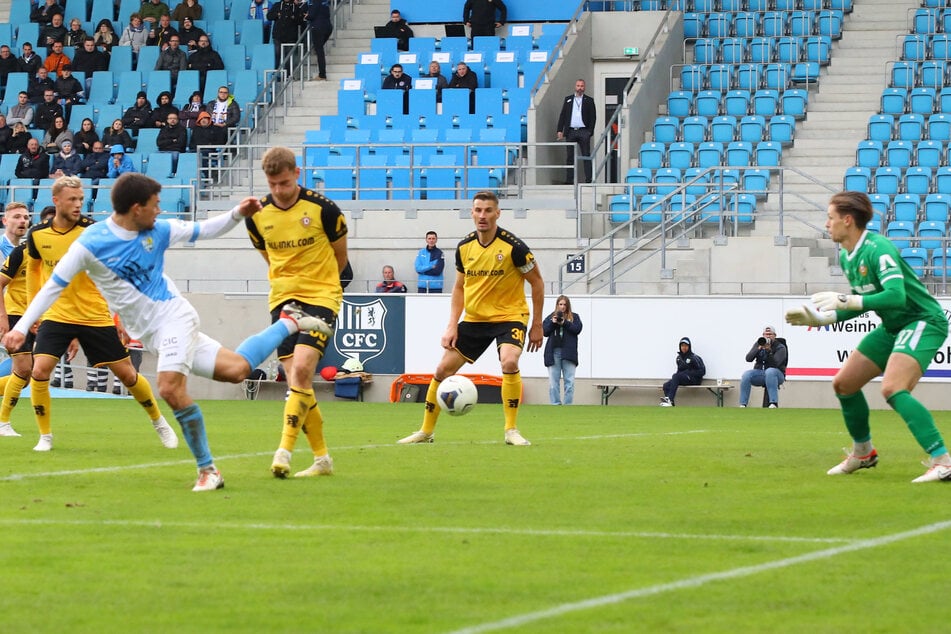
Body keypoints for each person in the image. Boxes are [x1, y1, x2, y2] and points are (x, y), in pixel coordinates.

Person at [2, 176, 329, 491]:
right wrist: (20, 328)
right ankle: (290, 321)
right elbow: (53, 286)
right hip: (153, 333)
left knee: (170, 388)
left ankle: (208, 470)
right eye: (155, 205)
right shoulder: (90, 243)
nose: (159, 210)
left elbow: (205, 229)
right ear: (135, 208)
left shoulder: (157, 230)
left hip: (174, 318)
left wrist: (237, 214)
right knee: (238, 370)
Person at [0, 177, 176, 453]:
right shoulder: (37, 235)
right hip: (57, 315)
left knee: (128, 375)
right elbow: (34, 270)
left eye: (81, 199)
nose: (78, 204)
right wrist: (35, 311)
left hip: (94, 315)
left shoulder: (94, 231)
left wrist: (123, 314)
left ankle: (159, 421)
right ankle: (45, 436)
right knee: (39, 370)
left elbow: (115, 272)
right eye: (72, 199)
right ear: (56, 201)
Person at [785, 190, 951, 483]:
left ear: (847, 220)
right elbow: (865, 300)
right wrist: (822, 318)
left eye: (830, 218)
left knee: (893, 388)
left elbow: (896, 296)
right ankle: (863, 453)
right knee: (844, 384)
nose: (827, 224)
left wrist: (847, 301)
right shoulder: (849, 257)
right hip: (893, 326)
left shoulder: (878, 249)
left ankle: (943, 461)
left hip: (922, 320)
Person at [398, 190, 544, 446]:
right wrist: (452, 325)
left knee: (509, 361)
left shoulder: (515, 247)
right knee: (442, 369)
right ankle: (425, 431)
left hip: (510, 316)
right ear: (472, 213)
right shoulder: (464, 247)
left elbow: (537, 282)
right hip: (475, 319)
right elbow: (458, 287)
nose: (482, 216)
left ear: (498, 213)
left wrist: (537, 325)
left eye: (488, 210)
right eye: (478, 210)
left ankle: (511, 431)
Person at [245, 145, 345, 479]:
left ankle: (283, 451)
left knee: (302, 371)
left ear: (297, 174)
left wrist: (321, 284)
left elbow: (340, 258)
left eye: (285, 183)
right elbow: (268, 257)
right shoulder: (256, 215)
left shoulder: (324, 210)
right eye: (273, 185)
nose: (279, 191)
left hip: (321, 297)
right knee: (298, 382)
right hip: (284, 300)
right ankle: (322, 459)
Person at [0, 203, 37, 437]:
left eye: (25, 217)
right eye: (16, 217)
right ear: (5, 221)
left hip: (24, 316)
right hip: (7, 315)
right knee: (23, 370)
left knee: (25, 376)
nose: (22, 221)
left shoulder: (31, 250)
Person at [543, 295, 582, 406]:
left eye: (564, 304)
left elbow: (577, 329)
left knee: (569, 382)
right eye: (560, 304)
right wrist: (553, 322)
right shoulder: (551, 317)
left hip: (568, 353)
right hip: (554, 352)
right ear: (557, 305)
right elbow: (544, 331)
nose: (562, 307)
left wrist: (564, 322)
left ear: (568, 305)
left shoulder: (575, 317)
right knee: (553, 382)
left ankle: (568, 405)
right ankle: (555, 404)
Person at [556, 79, 597, 184]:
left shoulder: (589, 100)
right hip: (571, 131)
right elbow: (563, 115)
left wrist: (590, 132)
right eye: (578, 86)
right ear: (575, 87)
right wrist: (560, 130)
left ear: (584, 87)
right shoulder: (568, 99)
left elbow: (593, 118)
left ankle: (589, 180)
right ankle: (569, 180)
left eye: (582, 86)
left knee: (586, 155)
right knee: (570, 157)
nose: (580, 88)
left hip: (584, 131)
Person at [738, 325, 787, 408]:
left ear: (775, 336)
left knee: (770, 371)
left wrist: (769, 351)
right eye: (766, 334)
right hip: (761, 373)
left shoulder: (780, 347)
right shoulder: (758, 344)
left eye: (770, 334)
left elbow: (776, 364)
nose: (768, 336)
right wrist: (758, 348)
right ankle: (743, 404)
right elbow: (748, 358)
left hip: (777, 375)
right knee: (746, 375)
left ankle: (773, 403)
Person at [660, 337, 706, 407]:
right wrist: (676, 379)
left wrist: (688, 373)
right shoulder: (679, 358)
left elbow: (702, 371)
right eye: (682, 345)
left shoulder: (694, 357)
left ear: (689, 346)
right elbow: (679, 372)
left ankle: (670, 399)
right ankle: (671, 404)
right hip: (684, 378)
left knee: (676, 376)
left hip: (694, 380)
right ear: (680, 347)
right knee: (666, 385)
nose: (684, 347)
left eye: (686, 346)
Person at [267, 0, 306, 71]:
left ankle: (288, 75)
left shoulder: (296, 7)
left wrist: (294, 18)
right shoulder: (277, 5)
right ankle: (276, 73)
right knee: (277, 55)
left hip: (290, 36)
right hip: (278, 36)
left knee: (289, 56)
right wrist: (276, 14)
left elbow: (301, 21)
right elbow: (269, 16)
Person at [307, 0, 332, 81]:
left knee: (319, 51)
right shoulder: (325, 2)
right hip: (328, 27)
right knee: (319, 48)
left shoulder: (314, 2)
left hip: (318, 27)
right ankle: (322, 74)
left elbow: (311, 15)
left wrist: (305, 16)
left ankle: (322, 75)